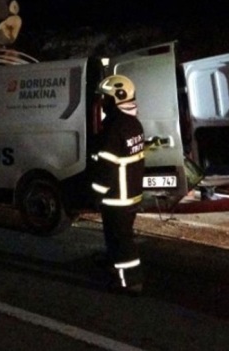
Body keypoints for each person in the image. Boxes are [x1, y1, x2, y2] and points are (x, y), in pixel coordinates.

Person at [91, 74, 146, 295]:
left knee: (121, 240)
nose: (102, 102)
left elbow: (107, 167)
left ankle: (130, 282)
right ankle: (116, 269)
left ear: (116, 98)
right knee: (119, 237)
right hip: (131, 193)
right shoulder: (133, 123)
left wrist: (96, 194)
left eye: (105, 98)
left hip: (117, 196)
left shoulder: (114, 128)